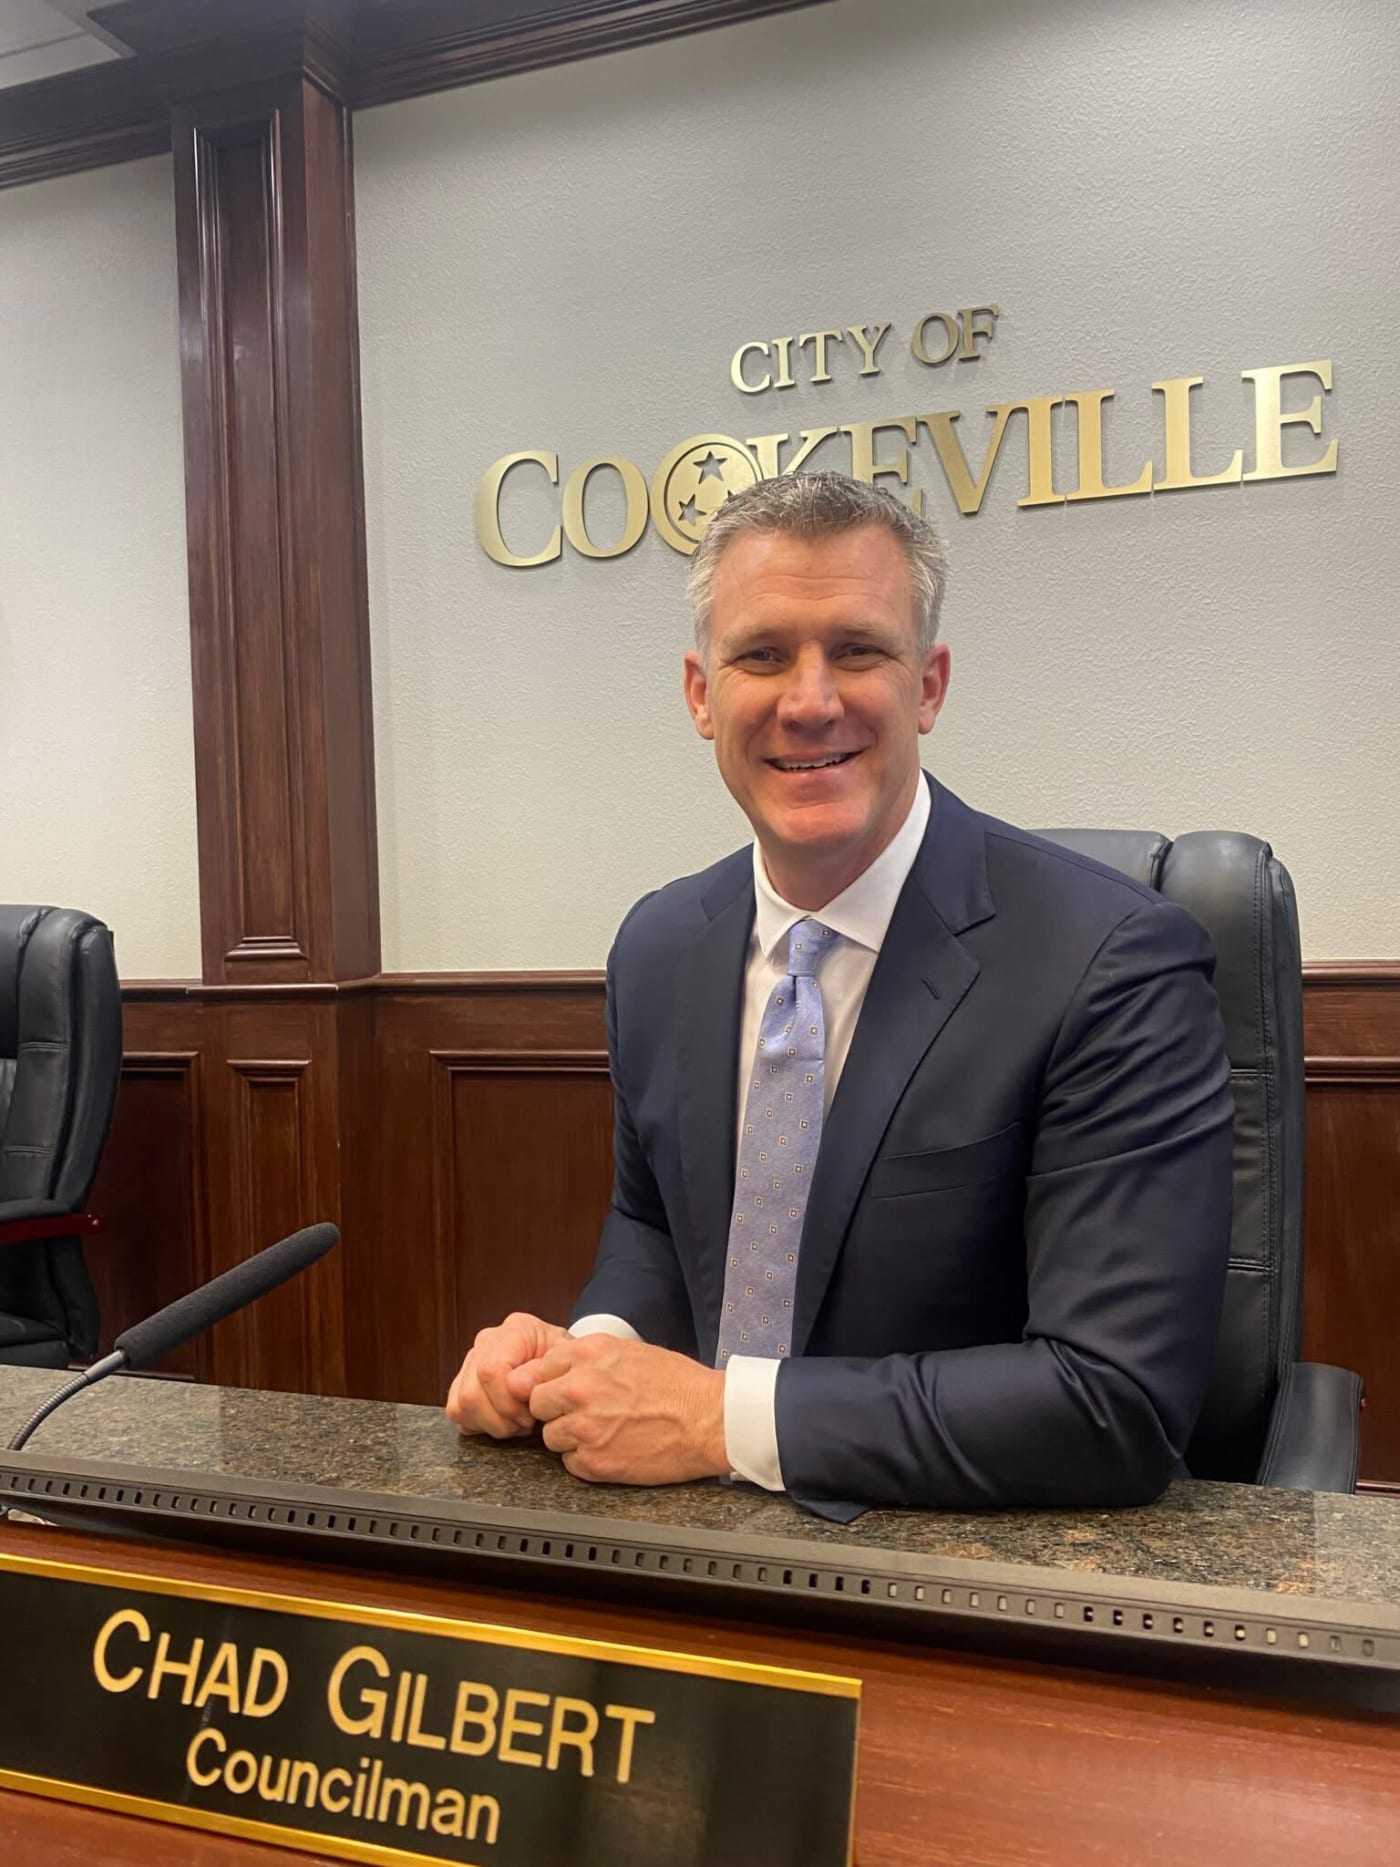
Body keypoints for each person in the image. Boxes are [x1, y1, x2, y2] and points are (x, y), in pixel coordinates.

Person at [446, 471, 1234, 1517]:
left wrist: (713, 1418)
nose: (808, 700)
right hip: (692, 1542)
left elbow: (1109, 1401)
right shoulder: (658, 944)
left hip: (971, 1582)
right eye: (760, 655)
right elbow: (653, 1232)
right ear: (699, 693)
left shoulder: (1112, 959)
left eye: (856, 650)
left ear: (929, 684)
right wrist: (582, 1361)